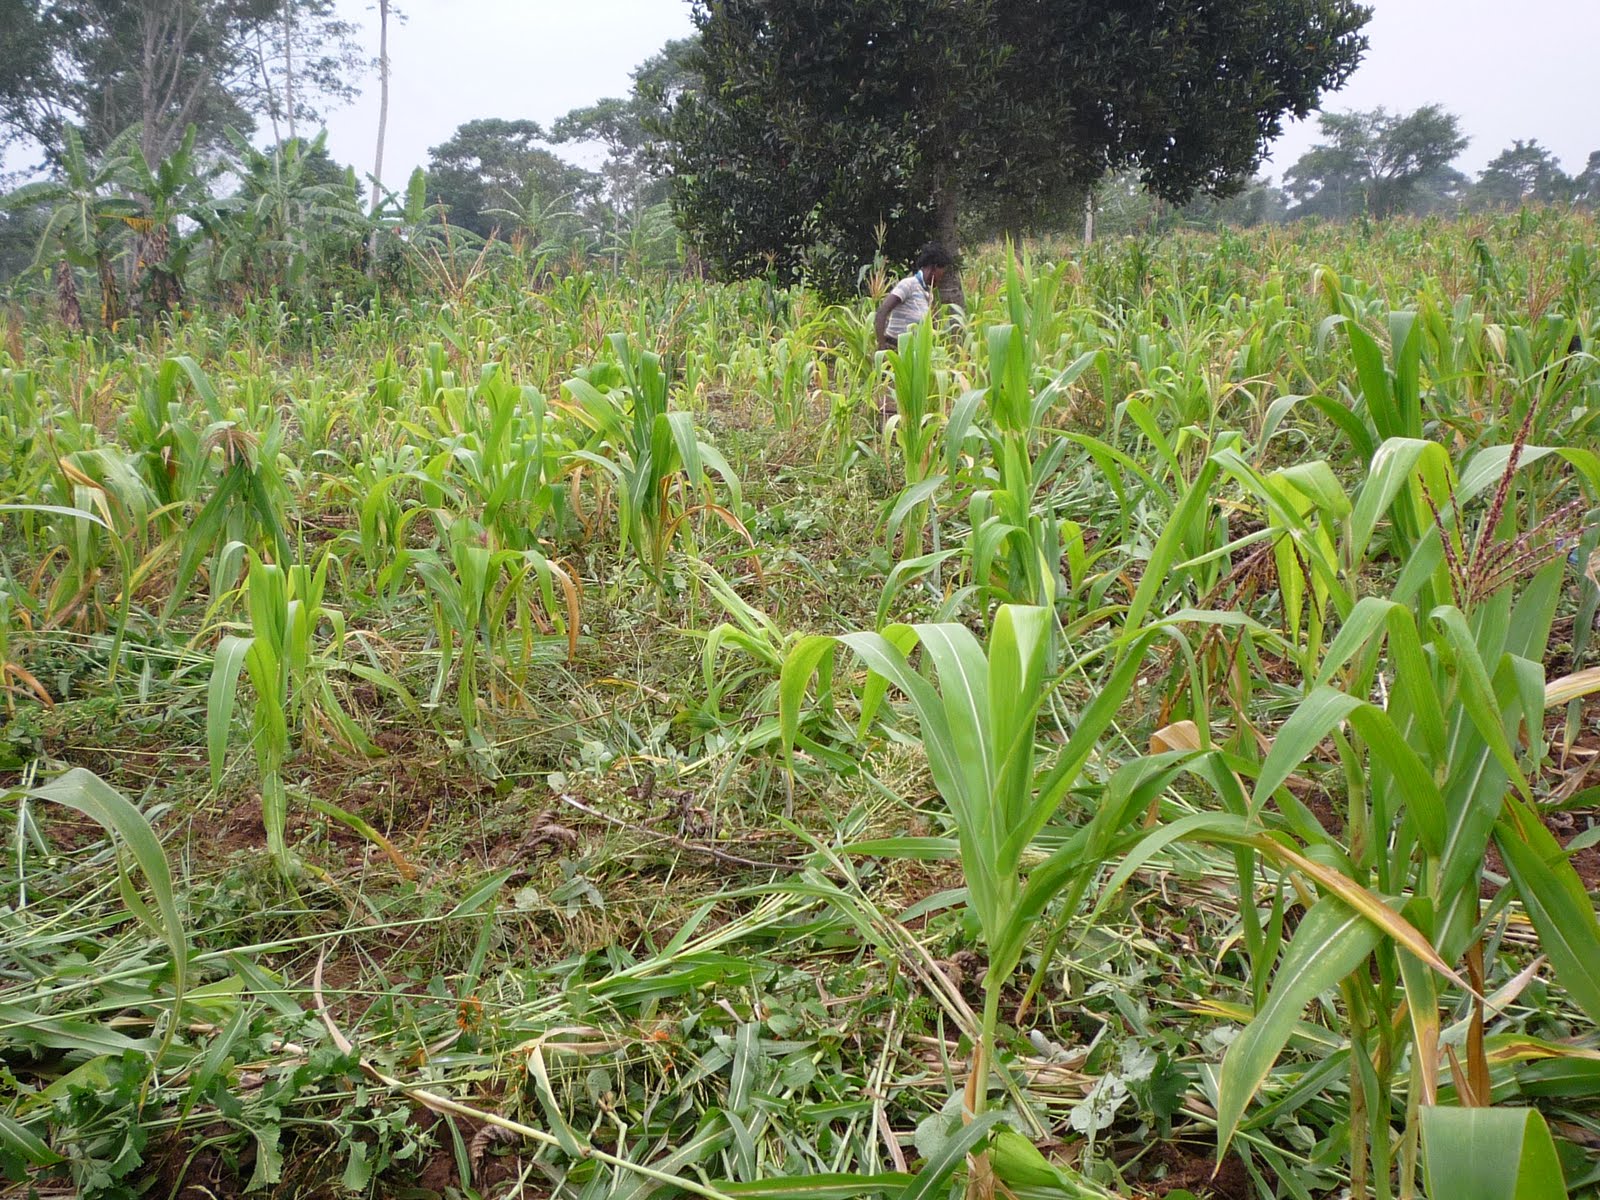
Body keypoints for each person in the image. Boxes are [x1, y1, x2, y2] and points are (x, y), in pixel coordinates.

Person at [875, 243, 954, 353]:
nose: (942, 277)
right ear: (934, 267)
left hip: (912, 353)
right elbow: (882, 312)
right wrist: (882, 347)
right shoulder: (908, 285)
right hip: (895, 349)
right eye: (942, 272)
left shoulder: (927, 293)